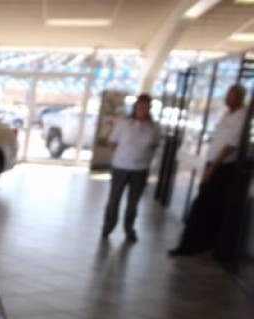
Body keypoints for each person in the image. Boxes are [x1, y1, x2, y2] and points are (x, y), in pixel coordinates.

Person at [170, 84, 248, 256]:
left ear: (239, 97)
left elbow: (230, 146)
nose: (227, 98)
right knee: (208, 206)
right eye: (227, 94)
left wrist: (213, 168)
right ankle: (202, 243)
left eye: (231, 95)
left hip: (223, 167)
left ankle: (190, 245)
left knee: (201, 206)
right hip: (213, 164)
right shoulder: (228, 114)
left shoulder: (241, 116)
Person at [102, 93, 160, 242]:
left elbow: (154, 145)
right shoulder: (123, 123)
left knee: (133, 202)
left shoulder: (153, 127)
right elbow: (113, 142)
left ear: (149, 108)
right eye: (139, 105)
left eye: (145, 106)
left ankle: (129, 229)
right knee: (114, 198)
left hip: (140, 169)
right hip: (121, 166)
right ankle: (108, 226)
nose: (142, 108)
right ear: (135, 106)